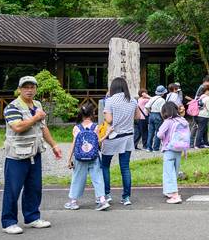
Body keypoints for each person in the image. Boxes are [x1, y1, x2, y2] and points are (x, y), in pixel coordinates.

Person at [1, 75, 63, 234]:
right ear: (20, 89)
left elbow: (43, 127)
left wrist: (54, 145)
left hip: (35, 153)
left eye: (32, 87)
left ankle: (32, 217)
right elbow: (18, 127)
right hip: (16, 155)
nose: (29, 90)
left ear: (36, 89)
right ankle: (9, 222)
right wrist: (36, 117)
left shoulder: (37, 104)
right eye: (25, 87)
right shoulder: (12, 107)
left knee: (34, 187)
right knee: (13, 189)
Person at [65, 101, 109, 211]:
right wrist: (107, 134)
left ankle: (73, 202)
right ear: (92, 114)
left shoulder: (77, 128)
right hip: (93, 157)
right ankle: (102, 200)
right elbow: (98, 143)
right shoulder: (96, 127)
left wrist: (69, 159)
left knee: (77, 178)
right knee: (98, 178)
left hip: (79, 158)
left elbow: (74, 144)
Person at [101, 76, 138, 206]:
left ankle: (107, 194)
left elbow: (109, 120)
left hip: (112, 137)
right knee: (125, 168)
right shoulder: (133, 101)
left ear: (113, 88)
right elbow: (138, 116)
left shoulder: (110, 101)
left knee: (105, 165)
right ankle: (126, 197)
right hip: (128, 137)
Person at [156, 101, 188, 204]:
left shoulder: (168, 121)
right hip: (179, 149)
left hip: (169, 149)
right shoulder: (182, 120)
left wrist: (164, 138)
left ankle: (174, 195)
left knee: (168, 172)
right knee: (174, 171)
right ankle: (169, 191)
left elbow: (159, 134)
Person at [146, 85, 167, 151]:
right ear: (163, 93)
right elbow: (161, 111)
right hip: (158, 115)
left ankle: (148, 148)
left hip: (151, 115)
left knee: (150, 132)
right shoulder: (162, 100)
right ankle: (156, 147)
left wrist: (150, 112)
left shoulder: (152, 98)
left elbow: (146, 106)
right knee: (158, 132)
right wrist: (164, 118)